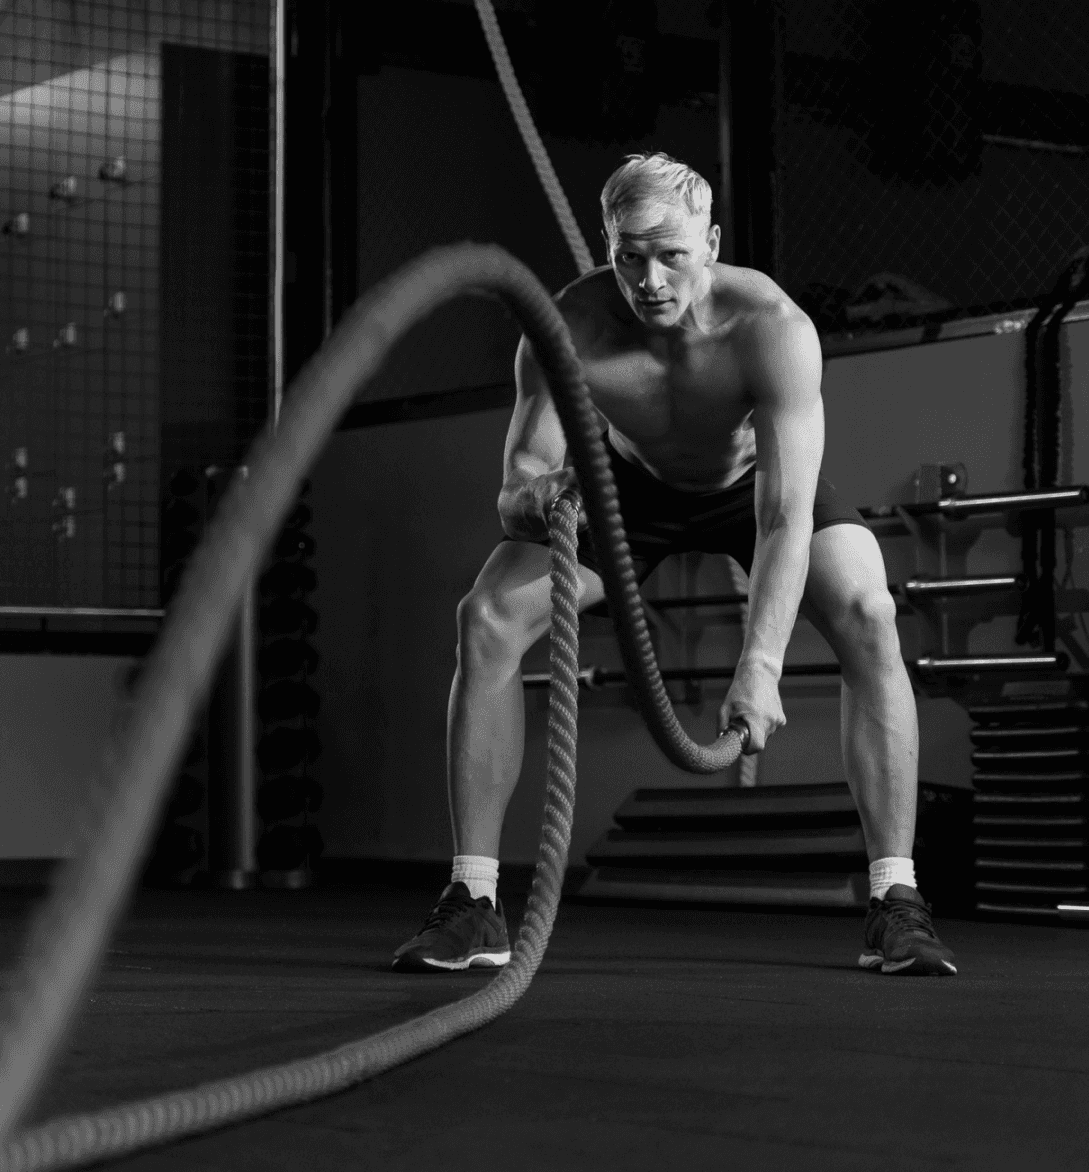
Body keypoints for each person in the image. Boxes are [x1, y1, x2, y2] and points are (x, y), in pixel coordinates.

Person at [392, 153, 957, 977]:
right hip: (624, 492)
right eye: (628, 255)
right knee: (486, 619)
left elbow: (783, 513)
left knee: (869, 610)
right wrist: (538, 495)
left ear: (713, 241)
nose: (649, 278)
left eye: (672, 254)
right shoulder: (568, 328)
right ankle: (473, 901)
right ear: (606, 245)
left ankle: (895, 900)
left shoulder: (772, 328)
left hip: (750, 488)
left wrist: (759, 664)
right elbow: (514, 483)